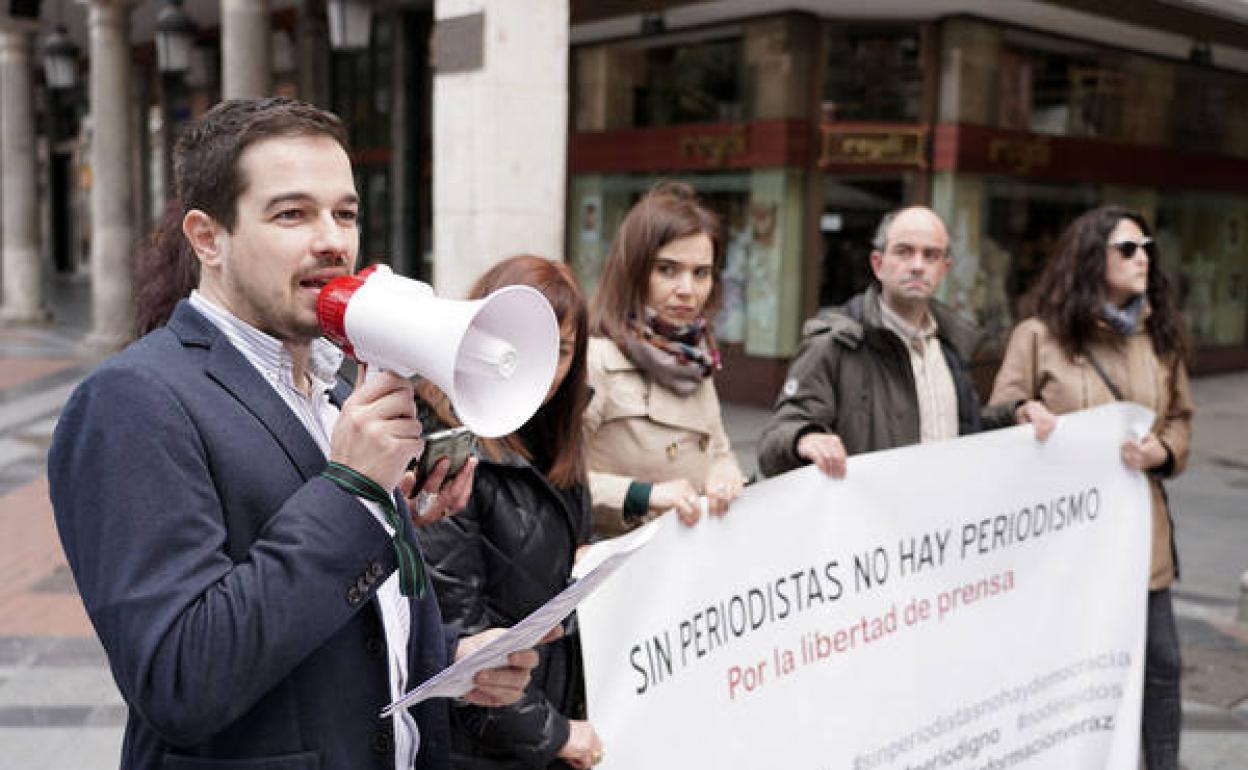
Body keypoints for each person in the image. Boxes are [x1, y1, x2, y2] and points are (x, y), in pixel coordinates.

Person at [48, 97, 545, 770]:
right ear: (207, 238)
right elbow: (179, 680)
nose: (333, 240)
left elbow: (344, 622)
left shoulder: (340, 389)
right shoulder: (131, 403)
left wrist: (448, 660)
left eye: (344, 212)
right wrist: (349, 491)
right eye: (292, 214)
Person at [989, 204, 1193, 770]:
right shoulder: (1038, 336)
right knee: (1068, 668)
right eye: (1128, 248)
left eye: (1147, 246)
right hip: (1065, 544)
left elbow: (1180, 418)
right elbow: (998, 411)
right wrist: (1022, 414)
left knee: (1161, 667)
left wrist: (1165, 449)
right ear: (1090, 258)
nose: (1143, 258)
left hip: (1141, 540)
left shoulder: (1160, 337)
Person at [416, 256, 605, 770]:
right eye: (531, 343)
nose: (547, 365)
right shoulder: (446, 450)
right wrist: (555, 734)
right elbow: (458, 630)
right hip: (477, 744)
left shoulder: (554, 431)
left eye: (563, 350)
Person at [758, 205, 1014, 479]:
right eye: (904, 252)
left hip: (944, 514)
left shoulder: (951, 344)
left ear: (944, 269)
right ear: (878, 264)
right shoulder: (836, 344)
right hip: (870, 517)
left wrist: (1013, 415)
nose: (918, 266)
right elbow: (775, 443)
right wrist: (803, 439)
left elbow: (956, 426)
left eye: (931, 255)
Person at [585, 182, 746, 535]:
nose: (687, 290)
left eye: (701, 273)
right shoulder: (594, 359)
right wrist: (643, 495)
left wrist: (725, 472)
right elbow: (551, 479)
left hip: (688, 561)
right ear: (633, 270)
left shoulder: (696, 358)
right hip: (615, 563)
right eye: (667, 270)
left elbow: (719, 449)